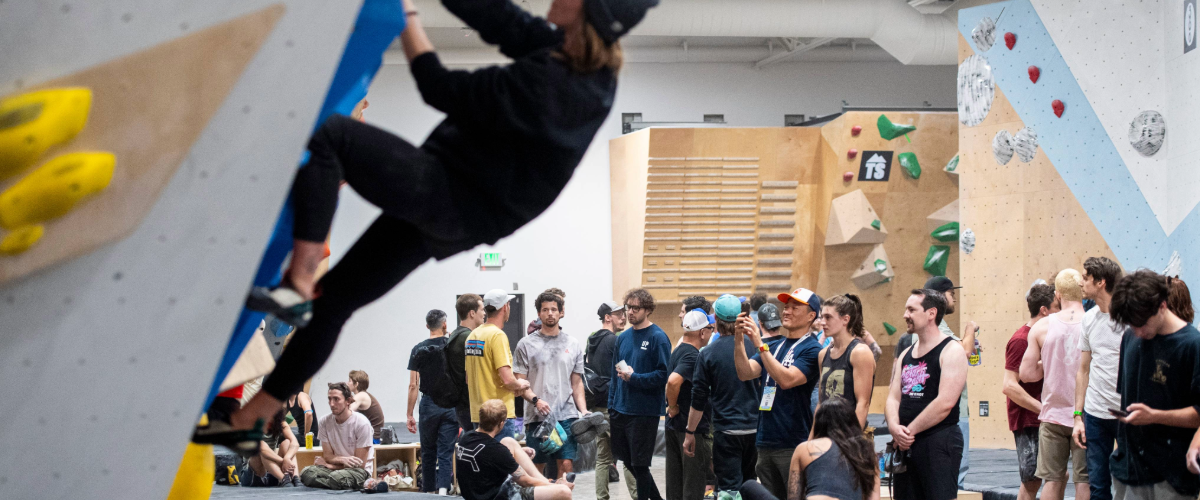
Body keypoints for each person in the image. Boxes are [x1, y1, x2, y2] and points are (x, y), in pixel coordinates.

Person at [228, 0, 660, 441]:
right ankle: (252, 418)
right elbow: (497, 16)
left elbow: (438, 86)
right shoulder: (573, 58)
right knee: (335, 302)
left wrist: (407, 18)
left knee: (333, 135)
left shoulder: (559, 85)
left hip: (448, 192)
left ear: (590, 12)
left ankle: (299, 281)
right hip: (460, 208)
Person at [1108, 271, 1200, 500]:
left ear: (1162, 305)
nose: (1138, 331)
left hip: (1171, 475)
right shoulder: (1130, 338)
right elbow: (1125, 396)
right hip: (1127, 470)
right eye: (1131, 325)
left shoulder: (1191, 344)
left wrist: (1155, 416)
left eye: (1142, 324)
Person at [729, 288, 822, 499]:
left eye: (794, 308)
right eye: (786, 307)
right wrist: (738, 339)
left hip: (792, 442)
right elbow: (745, 373)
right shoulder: (775, 345)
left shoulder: (812, 349)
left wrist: (759, 344)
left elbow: (787, 380)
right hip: (765, 440)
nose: (786, 312)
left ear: (811, 316)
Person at [886, 289, 966, 500]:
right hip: (906, 443)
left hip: (938, 441)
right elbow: (893, 397)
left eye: (911, 309)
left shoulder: (952, 351)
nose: (905, 315)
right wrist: (894, 428)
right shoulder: (906, 353)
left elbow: (945, 403)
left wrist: (908, 432)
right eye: (906, 309)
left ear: (931, 313)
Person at [1019, 269, 1089, 500]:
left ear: (1057, 294)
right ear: (1082, 290)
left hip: (1053, 413)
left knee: (1052, 479)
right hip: (1086, 414)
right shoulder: (1093, 322)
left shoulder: (1041, 327)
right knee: (1084, 480)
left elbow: (1027, 374)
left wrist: (1048, 363)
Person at [685, 294, 761, 500]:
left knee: (728, 490)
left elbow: (698, 399)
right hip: (755, 429)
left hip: (726, 431)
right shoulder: (755, 345)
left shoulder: (707, 353)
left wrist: (690, 432)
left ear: (715, 320)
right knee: (751, 485)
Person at [740, 397, 880, 500]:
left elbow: (794, 497)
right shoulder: (867, 451)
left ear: (819, 423)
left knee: (749, 486)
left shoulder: (806, 448)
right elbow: (874, 497)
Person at [514, 292, 587, 478]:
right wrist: (536, 400)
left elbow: (577, 383)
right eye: (545, 310)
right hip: (537, 417)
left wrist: (584, 411)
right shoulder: (526, 344)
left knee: (566, 466)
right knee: (536, 470)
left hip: (566, 415)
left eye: (554, 309)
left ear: (561, 312)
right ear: (539, 314)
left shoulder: (573, 343)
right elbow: (520, 383)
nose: (550, 313)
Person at [609, 288, 671, 500]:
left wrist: (635, 378)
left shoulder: (658, 337)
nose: (631, 312)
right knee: (628, 461)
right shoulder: (623, 337)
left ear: (648, 310)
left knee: (640, 464)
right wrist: (611, 405)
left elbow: (663, 375)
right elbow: (613, 373)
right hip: (620, 409)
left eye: (636, 308)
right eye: (629, 307)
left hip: (644, 412)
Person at [1072, 257, 1124, 500]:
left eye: (1085, 277)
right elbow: (1083, 370)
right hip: (1094, 414)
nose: (1080, 282)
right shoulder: (1088, 319)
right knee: (1098, 487)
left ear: (1101, 282)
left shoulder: (1129, 319)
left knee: (1127, 482)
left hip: (1126, 413)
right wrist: (1078, 416)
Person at [457, 399, 574, 500]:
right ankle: (549, 483)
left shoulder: (466, 438)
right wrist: (556, 485)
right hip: (501, 496)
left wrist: (516, 453)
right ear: (501, 423)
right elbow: (526, 481)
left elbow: (486, 456)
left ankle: (543, 480)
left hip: (474, 493)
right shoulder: (497, 451)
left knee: (509, 441)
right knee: (564, 492)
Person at [1004, 283, 1056, 500]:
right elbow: (1009, 385)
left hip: (1044, 418)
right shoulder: (1020, 339)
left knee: (1056, 476)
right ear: (1044, 310)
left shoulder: (1048, 335)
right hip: (1029, 420)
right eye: (1057, 307)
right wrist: (1041, 408)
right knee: (1031, 481)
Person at [587, 301, 638, 499]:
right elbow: (625, 371)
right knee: (628, 456)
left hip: (598, 405)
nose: (623, 317)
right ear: (608, 317)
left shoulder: (593, 340)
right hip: (615, 405)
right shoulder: (614, 341)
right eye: (618, 314)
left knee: (602, 458)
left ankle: (602, 497)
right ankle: (637, 496)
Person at [407, 309, 459, 495]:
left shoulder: (418, 349)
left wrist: (409, 414)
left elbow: (413, 385)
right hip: (451, 404)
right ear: (445, 324)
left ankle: (428, 491)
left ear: (427, 326)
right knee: (445, 451)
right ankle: (444, 490)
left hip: (429, 404)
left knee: (428, 451)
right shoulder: (453, 346)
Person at [466, 289, 530, 439]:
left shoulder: (473, 335)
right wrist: (520, 384)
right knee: (502, 460)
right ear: (505, 307)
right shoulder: (497, 335)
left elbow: (468, 378)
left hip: (479, 414)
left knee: (484, 460)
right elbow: (507, 379)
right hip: (499, 415)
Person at [665, 310, 714, 500]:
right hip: (688, 430)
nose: (711, 332)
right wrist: (674, 406)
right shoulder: (692, 356)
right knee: (692, 487)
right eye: (710, 329)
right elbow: (673, 381)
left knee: (675, 485)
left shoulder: (678, 350)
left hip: (674, 426)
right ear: (702, 332)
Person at [815, 294, 876, 428]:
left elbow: (863, 404)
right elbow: (820, 402)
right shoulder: (823, 354)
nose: (822, 322)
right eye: (821, 317)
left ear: (845, 319)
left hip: (848, 433)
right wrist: (812, 438)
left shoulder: (859, 352)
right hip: (826, 432)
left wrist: (853, 442)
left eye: (828, 317)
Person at [299, 383, 374, 490]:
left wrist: (329, 466)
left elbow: (360, 465)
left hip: (358, 471)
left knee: (336, 478)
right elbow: (328, 456)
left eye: (336, 399)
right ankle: (335, 483)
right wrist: (343, 460)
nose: (331, 404)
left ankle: (336, 482)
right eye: (329, 399)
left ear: (348, 401)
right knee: (306, 473)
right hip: (336, 470)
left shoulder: (362, 423)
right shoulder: (324, 421)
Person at [448, 293, 486, 432]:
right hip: (469, 404)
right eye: (482, 309)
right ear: (472, 313)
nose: (484, 313)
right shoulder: (470, 338)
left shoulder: (454, 335)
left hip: (461, 405)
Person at [246, 408, 301, 487]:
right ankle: (284, 479)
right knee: (261, 444)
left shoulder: (281, 424)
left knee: (287, 443)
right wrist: (284, 461)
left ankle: (295, 478)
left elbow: (295, 443)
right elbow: (262, 449)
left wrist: (287, 458)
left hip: (272, 471)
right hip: (253, 474)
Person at [347, 370, 385, 443]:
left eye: (350, 381)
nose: (347, 383)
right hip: (373, 436)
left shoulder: (361, 395)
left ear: (356, 384)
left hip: (373, 439)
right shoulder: (364, 395)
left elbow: (347, 412)